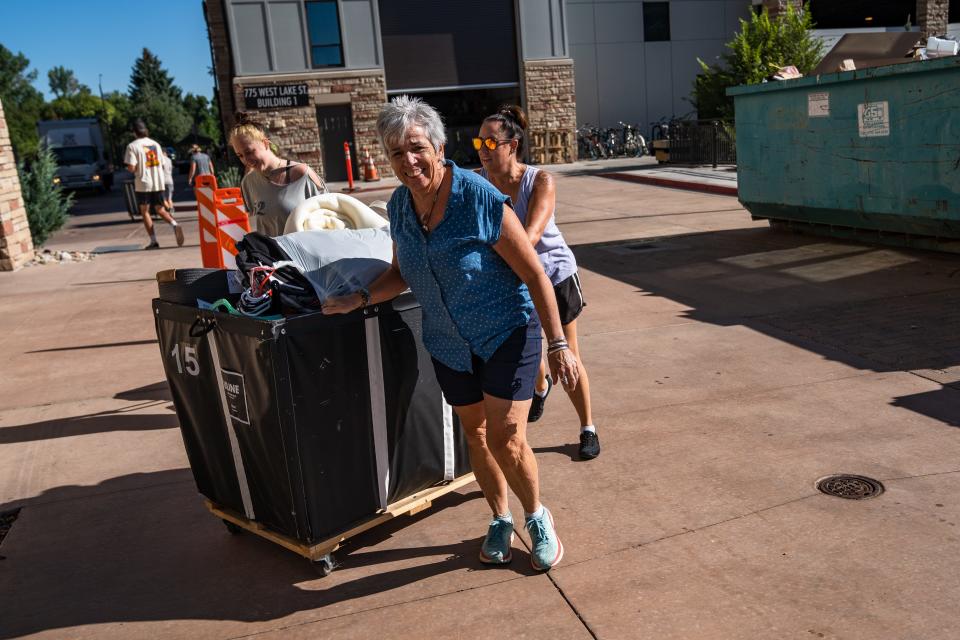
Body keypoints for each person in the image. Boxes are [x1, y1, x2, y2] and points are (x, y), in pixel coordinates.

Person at [322, 96, 578, 571]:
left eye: (417, 147)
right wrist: (354, 299)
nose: (409, 160)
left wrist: (559, 342)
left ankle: (537, 517)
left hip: (507, 330)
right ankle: (500, 518)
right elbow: (401, 274)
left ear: (439, 148)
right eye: (397, 153)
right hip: (449, 344)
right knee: (475, 436)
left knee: (506, 438)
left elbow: (535, 274)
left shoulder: (476, 196)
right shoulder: (399, 206)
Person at [474, 106, 600, 461]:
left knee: (566, 353)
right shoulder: (479, 180)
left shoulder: (539, 181)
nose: (482, 148)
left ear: (512, 145)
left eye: (490, 141)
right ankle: (540, 387)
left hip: (554, 275)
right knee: (526, 349)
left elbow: (529, 237)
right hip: (512, 281)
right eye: (478, 141)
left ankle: (587, 427)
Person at [229, 112, 326, 236]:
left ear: (265, 143)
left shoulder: (302, 174)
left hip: (303, 253)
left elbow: (328, 216)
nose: (246, 160)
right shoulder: (248, 183)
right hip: (272, 254)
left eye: (249, 152)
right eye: (240, 155)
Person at [124, 120, 184, 250]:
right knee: (160, 209)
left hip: (143, 182)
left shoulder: (132, 146)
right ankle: (174, 224)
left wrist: (130, 169)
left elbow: (132, 167)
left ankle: (153, 241)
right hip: (158, 181)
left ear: (134, 132)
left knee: (145, 212)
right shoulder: (155, 144)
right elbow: (161, 163)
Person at [161, 148, 175, 214]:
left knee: (163, 199)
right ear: (165, 153)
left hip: (161, 182)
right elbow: (171, 169)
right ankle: (171, 211)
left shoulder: (159, 160)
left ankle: (169, 209)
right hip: (170, 180)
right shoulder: (169, 160)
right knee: (169, 199)